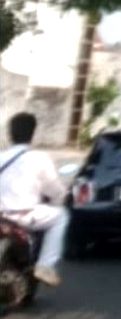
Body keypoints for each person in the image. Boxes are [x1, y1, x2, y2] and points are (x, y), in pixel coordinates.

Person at [0, 112, 68, 286]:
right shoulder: (39, 158)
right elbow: (55, 190)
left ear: (10, 134)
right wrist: (61, 198)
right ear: (33, 133)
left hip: (1, 216)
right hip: (24, 216)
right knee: (61, 216)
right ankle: (45, 266)